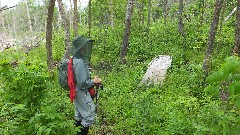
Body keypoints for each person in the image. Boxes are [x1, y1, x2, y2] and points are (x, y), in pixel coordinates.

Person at [71, 35, 101, 135]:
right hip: (80, 91)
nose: (85, 48)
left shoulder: (75, 59)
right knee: (89, 115)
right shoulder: (79, 62)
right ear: (80, 48)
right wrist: (94, 82)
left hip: (76, 91)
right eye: (83, 46)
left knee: (80, 114)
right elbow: (82, 83)